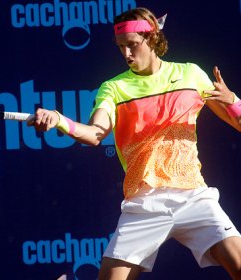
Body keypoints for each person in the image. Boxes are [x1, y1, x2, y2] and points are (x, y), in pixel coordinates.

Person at [30, 7, 241, 280]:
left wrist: (233, 101)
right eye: (121, 47)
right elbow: (95, 133)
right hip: (144, 202)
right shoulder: (114, 88)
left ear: (152, 38)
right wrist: (59, 120)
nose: (127, 55)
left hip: (193, 196)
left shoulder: (191, 75)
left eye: (132, 45)